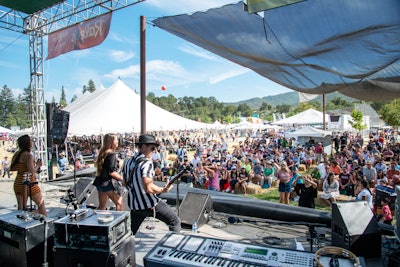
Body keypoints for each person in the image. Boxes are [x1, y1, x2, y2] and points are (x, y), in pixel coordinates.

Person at [123, 134, 180, 235]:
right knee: (175, 221)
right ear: (144, 147)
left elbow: (124, 183)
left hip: (134, 205)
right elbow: (148, 188)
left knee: (130, 233)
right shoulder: (146, 163)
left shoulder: (127, 162)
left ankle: (123, 249)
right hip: (149, 204)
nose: (154, 151)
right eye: (152, 148)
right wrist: (164, 190)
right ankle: (174, 247)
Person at [9, 135, 47, 216]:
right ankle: (45, 224)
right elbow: (32, 171)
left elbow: (12, 168)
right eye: (30, 140)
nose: (32, 142)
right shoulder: (28, 156)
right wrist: (37, 165)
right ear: (27, 143)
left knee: (21, 208)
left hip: (18, 182)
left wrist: (22, 169)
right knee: (41, 204)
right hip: (30, 183)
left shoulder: (17, 154)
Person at [93, 134, 124, 211]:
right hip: (106, 184)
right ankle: (118, 222)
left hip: (99, 182)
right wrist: (122, 179)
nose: (117, 141)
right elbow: (111, 172)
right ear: (111, 142)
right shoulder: (112, 154)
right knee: (119, 203)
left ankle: (94, 221)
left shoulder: (103, 153)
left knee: (101, 207)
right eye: (116, 140)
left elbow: (106, 168)